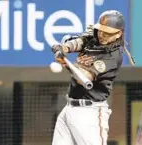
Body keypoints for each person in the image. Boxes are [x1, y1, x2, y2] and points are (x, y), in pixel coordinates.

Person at [51, 10, 135, 145]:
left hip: (90, 112)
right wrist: (64, 48)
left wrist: (66, 64)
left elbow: (84, 78)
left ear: (118, 34)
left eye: (107, 33)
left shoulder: (113, 56)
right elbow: (80, 41)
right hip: (68, 108)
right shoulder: (96, 36)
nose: (102, 35)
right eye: (101, 30)